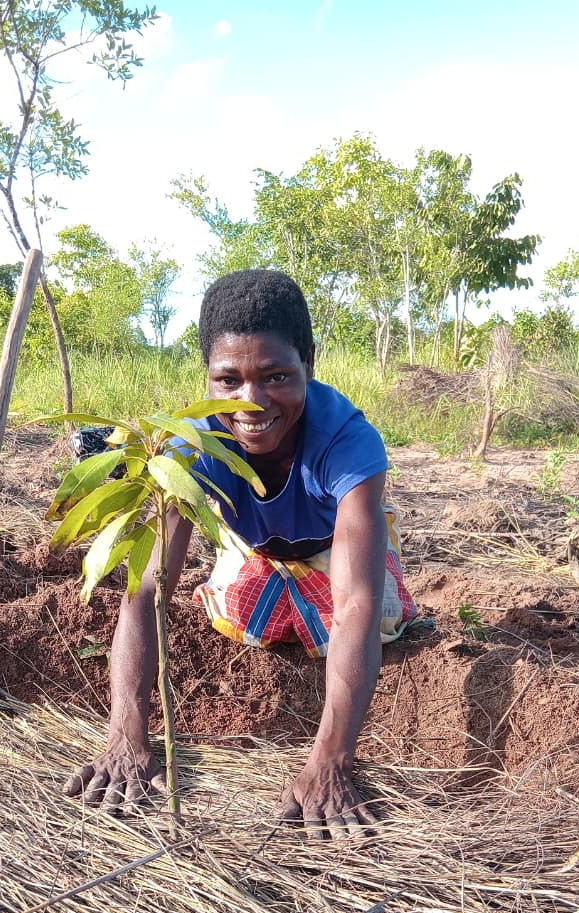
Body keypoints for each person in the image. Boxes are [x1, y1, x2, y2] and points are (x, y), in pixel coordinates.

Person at [64, 269, 416, 838]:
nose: (251, 402)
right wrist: (126, 735)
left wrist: (331, 762)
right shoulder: (186, 447)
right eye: (228, 380)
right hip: (258, 547)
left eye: (277, 376)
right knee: (244, 618)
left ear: (309, 363)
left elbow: (355, 603)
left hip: (334, 550)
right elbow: (147, 588)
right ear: (208, 376)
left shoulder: (346, 441)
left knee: (370, 622)